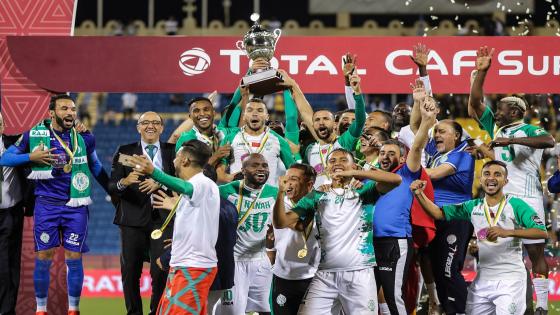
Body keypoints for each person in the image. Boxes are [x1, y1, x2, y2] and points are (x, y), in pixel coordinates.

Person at [0, 94, 109, 315]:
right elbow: (5, 159)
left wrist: (113, 192)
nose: (70, 113)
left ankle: (74, 310)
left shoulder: (84, 137)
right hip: (47, 205)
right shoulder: (36, 135)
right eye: (64, 109)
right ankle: (41, 310)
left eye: (72, 109)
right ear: (52, 113)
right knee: (43, 257)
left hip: (75, 206)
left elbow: (95, 166)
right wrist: (31, 156)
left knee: (74, 257)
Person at [468, 46, 555, 315]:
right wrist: (481, 74)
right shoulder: (495, 128)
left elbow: (549, 141)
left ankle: (541, 306)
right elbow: (473, 105)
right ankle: (509, 301)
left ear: (515, 112)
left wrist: (511, 140)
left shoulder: (528, 129)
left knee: (536, 253)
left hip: (527, 197)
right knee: (502, 252)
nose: (497, 111)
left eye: (502, 108)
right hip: (501, 200)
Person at [411, 160, 548, 315]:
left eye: (498, 174)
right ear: (480, 179)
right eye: (487, 174)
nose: (491, 178)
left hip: (510, 279)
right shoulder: (473, 206)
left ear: (505, 181)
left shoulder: (516, 204)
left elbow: (541, 232)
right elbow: (438, 213)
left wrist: (508, 232)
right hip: (483, 279)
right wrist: (419, 194)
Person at [274, 148, 401, 314]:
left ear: (353, 165)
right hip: (325, 274)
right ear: (327, 169)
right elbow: (281, 222)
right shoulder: (317, 196)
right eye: (332, 161)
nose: (337, 164)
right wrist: (280, 192)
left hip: (359, 273)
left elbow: (396, 180)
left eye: (343, 160)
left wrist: (355, 173)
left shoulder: (363, 192)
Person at [129, 140, 220, 315]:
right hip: (184, 264)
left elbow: (186, 187)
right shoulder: (199, 188)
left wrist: (154, 172)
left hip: (193, 267)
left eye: (177, 157)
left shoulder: (201, 183)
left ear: (185, 160)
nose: (173, 161)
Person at [373, 95, 437, 315]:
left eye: (391, 153)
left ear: (402, 159)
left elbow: (417, 146)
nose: (384, 157)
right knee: (371, 296)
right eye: (382, 153)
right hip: (369, 244)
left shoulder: (406, 173)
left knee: (392, 295)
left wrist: (427, 121)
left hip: (396, 242)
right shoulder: (371, 176)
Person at [108, 111, 176, 315]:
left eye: (156, 123)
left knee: (161, 271)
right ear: (138, 127)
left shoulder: (172, 151)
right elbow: (112, 185)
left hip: (163, 220)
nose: (150, 126)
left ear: (162, 128)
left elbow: (183, 182)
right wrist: (124, 182)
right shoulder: (125, 151)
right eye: (145, 122)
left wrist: (160, 180)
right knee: (130, 272)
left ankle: (157, 312)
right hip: (131, 220)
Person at [215, 153, 279, 315]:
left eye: (264, 165)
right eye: (255, 165)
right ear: (243, 170)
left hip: (261, 261)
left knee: (265, 309)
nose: (261, 169)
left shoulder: (275, 193)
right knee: (233, 312)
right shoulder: (225, 191)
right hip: (235, 262)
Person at [424, 119, 475, 315]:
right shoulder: (438, 154)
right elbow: (416, 130)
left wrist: (407, 172)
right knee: (438, 270)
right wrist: (422, 106)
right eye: (436, 131)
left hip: (455, 219)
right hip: (435, 218)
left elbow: (436, 174)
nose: (436, 134)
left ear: (456, 136)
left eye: (442, 131)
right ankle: (447, 309)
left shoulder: (462, 154)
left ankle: (459, 311)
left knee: (448, 270)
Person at [300, 72, 366, 188]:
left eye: (326, 119)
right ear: (313, 125)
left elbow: (360, 120)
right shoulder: (310, 149)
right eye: (317, 120)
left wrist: (357, 93)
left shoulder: (343, 142)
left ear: (335, 124)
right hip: (319, 200)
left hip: (343, 196)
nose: (321, 122)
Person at [270, 164, 320, 314]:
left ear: (309, 184)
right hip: (285, 275)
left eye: (294, 179)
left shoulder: (320, 201)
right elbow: (297, 226)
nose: (287, 183)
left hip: (314, 275)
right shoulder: (280, 204)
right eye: (286, 178)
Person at [216, 98, 295, 185]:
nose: (254, 113)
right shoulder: (230, 138)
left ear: (267, 117)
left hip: (266, 197)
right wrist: (231, 178)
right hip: (237, 196)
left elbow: (294, 171)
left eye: (260, 110)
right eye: (250, 110)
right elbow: (219, 172)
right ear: (244, 116)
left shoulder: (279, 141)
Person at [0, 113, 31, 315]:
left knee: (8, 266)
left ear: (2, 125)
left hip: (10, 213)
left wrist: (77, 129)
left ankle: (6, 311)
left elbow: (43, 134)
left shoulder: (15, 143)